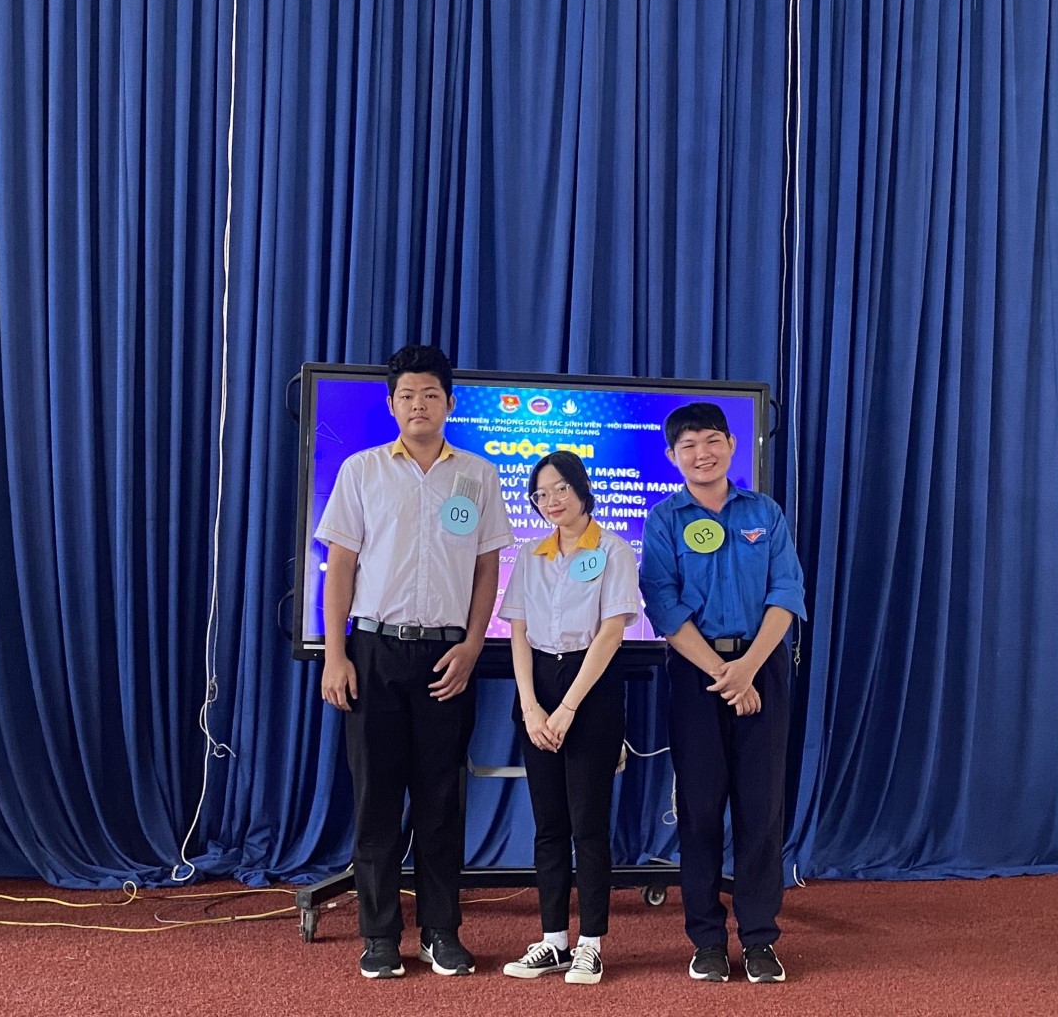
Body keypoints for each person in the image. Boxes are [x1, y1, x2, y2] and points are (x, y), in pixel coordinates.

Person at [316, 343, 514, 979]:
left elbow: (487, 569)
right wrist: (336, 654)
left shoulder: (478, 476)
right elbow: (340, 568)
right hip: (374, 650)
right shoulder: (362, 470)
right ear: (391, 404)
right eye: (407, 395)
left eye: (430, 394)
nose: (419, 405)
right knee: (375, 799)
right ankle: (379, 935)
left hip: (448, 655)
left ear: (450, 403)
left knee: (440, 799)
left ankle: (440, 931)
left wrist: (474, 645)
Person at [638, 402, 807, 985]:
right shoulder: (663, 520)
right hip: (696, 673)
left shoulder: (765, 512)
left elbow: (786, 593)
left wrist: (748, 670)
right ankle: (707, 940)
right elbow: (663, 604)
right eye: (688, 445)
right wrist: (723, 674)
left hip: (763, 668)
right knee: (700, 810)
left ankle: (759, 938)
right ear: (672, 456)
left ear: (733, 445)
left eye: (712, 440)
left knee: (762, 809)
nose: (702, 453)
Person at [497, 451, 639, 986]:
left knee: (588, 825)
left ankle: (590, 943)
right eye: (541, 494)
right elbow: (517, 631)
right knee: (549, 825)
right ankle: (553, 939)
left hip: (591, 688)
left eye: (560, 489)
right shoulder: (530, 555)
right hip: (538, 686)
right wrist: (531, 707)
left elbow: (611, 633)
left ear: (581, 489)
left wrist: (568, 707)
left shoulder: (613, 549)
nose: (551, 501)